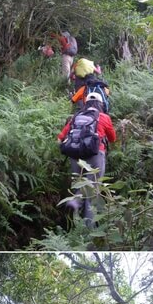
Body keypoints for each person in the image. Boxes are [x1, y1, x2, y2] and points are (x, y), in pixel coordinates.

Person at [57, 92, 117, 227]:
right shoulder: (104, 117)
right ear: (101, 104)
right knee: (92, 191)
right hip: (95, 155)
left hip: (74, 155)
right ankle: (90, 230)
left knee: (78, 184)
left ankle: (74, 210)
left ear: (85, 103)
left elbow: (60, 137)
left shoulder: (76, 117)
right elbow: (113, 138)